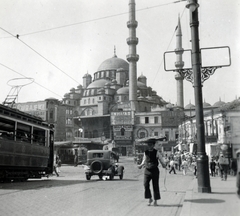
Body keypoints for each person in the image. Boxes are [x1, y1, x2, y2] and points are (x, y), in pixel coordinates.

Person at [137, 137, 166, 206]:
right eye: (148, 145)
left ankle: (155, 201)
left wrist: (163, 164)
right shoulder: (146, 152)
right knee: (145, 184)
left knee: (155, 185)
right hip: (147, 170)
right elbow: (144, 160)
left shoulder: (157, 152)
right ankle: (150, 198)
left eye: (151, 145)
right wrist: (141, 165)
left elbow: (161, 159)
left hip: (154, 170)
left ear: (153, 145)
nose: (149, 146)